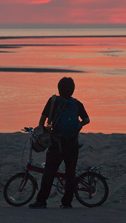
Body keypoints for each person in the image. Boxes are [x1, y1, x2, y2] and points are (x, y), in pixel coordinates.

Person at [29, 77, 90, 209]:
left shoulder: (53, 101)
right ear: (73, 90)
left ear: (59, 88)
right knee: (70, 173)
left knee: (49, 173)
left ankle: (41, 201)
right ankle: (67, 202)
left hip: (56, 143)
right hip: (72, 144)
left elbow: (42, 120)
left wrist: (43, 132)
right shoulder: (77, 104)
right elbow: (87, 120)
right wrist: (77, 126)